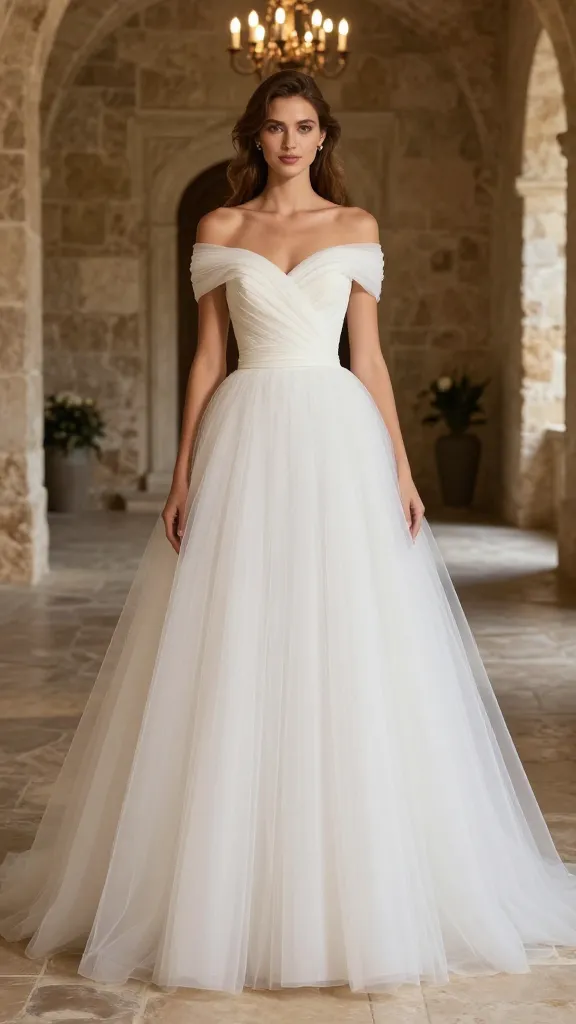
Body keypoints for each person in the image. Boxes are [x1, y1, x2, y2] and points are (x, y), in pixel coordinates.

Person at [0, 68, 575, 998]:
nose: (292, 141)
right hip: (246, 436)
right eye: (276, 127)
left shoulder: (356, 230)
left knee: (346, 640)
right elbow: (207, 357)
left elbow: (372, 357)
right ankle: (222, 877)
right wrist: (182, 468)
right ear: (254, 137)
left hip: (339, 439)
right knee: (237, 639)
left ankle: (355, 882)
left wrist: (401, 466)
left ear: (324, 136)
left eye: (306, 127)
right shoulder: (220, 231)